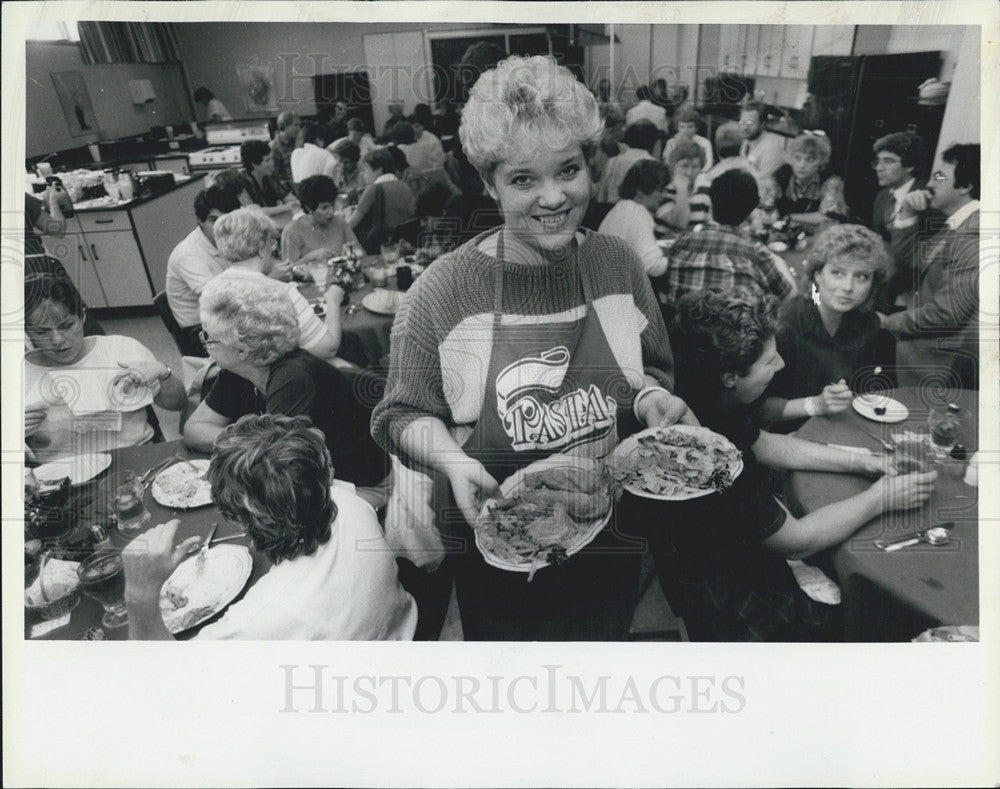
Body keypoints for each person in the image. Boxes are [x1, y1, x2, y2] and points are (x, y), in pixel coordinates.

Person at [370, 55, 694, 642]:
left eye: (568, 170)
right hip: (503, 550)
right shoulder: (443, 291)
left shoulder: (617, 265)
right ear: (489, 184)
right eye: (523, 179)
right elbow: (401, 414)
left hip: (610, 535)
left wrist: (652, 403)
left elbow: (652, 373)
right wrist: (452, 460)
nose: (553, 197)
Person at [643, 287, 935, 641]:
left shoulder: (707, 397)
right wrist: (883, 496)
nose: (780, 365)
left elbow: (768, 446)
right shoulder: (712, 455)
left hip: (731, 559)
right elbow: (797, 541)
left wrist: (868, 462)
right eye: (768, 361)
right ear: (731, 377)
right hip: (731, 600)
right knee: (876, 625)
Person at [124, 414, 417, 641]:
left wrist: (140, 591)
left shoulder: (257, 621)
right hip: (399, 632)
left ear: (237, 518)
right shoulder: (348, 502)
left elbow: (162, 679)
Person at [184, 280, 389, 504]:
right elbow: (193, 429)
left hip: (357, 486)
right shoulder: (242, 369)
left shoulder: (292, 378)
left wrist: (253, 443)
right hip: (314, 482)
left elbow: (279, 471)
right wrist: (255, 441)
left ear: (241, 350)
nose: (204, 344)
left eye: (208, 338)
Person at [24, 274, 185, 462]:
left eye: (67, 325)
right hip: (61, 474)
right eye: (42, 332)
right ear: (27, 331)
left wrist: (162, 373)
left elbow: (178, 404)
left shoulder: (121, 349)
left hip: (135, 458)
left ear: (82, 316)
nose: (57, 340)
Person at [761, 224, 896, 430]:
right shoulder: (785, 324)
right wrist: (816, 404)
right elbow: (759, 409)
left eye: (861, 276)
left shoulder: (869, 324)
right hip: (792, 438)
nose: (848, 287)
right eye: (837, 273)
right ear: (817, 274)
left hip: (845, 430)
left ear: (873, 283)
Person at [880, 143, 980, 388]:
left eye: (940, 177)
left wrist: (889, 322)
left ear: (965, 187)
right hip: (918, 347)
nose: (930, 184)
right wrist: (907, 213)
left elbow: (947, 313)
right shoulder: (959, 224)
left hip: (934, 365)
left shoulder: (973, 235)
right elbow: (908, 260)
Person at [206, 207, 345, 366]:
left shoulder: (212, 292)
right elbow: (327, 348)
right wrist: (333, 300)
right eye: (271, 242)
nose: (273, 249)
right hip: (289, 379)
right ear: (260, 247)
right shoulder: (281, 293)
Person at [660, 169, 795, 312]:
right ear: (750, 211)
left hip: (685, 332)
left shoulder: (680, 245)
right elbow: (790, 297)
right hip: (735, 332)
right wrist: (778, 262)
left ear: (711, 200)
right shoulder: (755, 253)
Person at [165, 185, 243, 356]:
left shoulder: (225, 240)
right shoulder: (188, 253)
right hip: (200, 331)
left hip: (225, 317)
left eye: (227, 219)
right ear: (200, 221)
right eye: (213, 220)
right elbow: (217, 298)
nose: (222, 227)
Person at [869, 131, 933, 311]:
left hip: (912, 287)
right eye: (878, 161)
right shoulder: (882, 196)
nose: (879, 168)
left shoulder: (926, 198)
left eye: (888, 161)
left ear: (910, 165)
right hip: (883, 274)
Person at [598, 159, 670, 277]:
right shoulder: (637, 212)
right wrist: (678, 256)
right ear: (641, 191)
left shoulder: (621, 208)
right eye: (659, 191)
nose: (663, 196)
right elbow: (653, 266)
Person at [770, 132, 848, 230]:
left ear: (822, 160)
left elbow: (829, 217)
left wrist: (792, 217)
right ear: (790, 158)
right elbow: (767, 205)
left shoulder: (831, 180)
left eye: (810, 159)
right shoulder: (781, 175)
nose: (802, 165)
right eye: (797, 158)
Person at [281, 175, 359, 267]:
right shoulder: (292, 231)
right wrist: (309, 258)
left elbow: (359, 252)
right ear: (308, 207)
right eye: (324, 208)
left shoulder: (339, 222)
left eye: (333, 205)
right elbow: (287, 272)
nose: (331, 212)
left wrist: (353, 255)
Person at [349, 147, 416, 255]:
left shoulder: (374, 189)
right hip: (405, 243)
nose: (363, 174)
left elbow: (351, 224)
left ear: (379, 169)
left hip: (380, 247)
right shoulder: (405, 186)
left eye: (366, 169)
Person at [593, 119, 658, 204]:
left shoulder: (612, 161)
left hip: (610, 210)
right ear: (653, 141)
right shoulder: (654, 164)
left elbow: (601, 197)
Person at [655, 139, 712, 232]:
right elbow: (680, 224)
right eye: (684, 166)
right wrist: (682, 189)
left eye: (695, 167)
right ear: (674, 166)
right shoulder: (663, 191)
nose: (689, 172)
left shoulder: (704, 191)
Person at [237, 140, 296, 219]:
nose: (272, 163)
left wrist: (287, 205)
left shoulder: (270, 176)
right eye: (267, 160)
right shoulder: (241, 181)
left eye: (271, 159)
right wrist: (284, 207)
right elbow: (254, 212)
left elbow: (291, 200)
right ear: (254, 164)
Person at [739, 101, 786, 179]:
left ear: (762, 124)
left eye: (750, 124)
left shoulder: (771, 149)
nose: (744, 128)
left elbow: (762, 184)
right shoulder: (749, 138)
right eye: (742, 122)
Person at [662, 107, 713, 173]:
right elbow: (667, 164)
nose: (685, 131)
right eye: (681, 126)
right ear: (677, 128)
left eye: (690, 127)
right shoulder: (671, 143)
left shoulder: (705, 143)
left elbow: (708, 165)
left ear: (696, 128)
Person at [289, 121, 337, 188]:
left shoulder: (295, 153)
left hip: (300, 195)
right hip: (318, 194)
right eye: (323, 140)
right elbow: (331, 181)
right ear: (318, 139)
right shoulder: (325, 154)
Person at [269, 111, 301, 197]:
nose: (298, 128)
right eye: (296, 125)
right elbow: (274, 176)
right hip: (289, 192)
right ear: (284, 126)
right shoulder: (274, 147)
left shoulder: (297, 142)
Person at [327, 138, 366, 205]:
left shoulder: (363, 174)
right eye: (340, 161)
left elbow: (363, 200)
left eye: (347, 162)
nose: (342, 166)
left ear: (355, 161)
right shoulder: (336, 169)